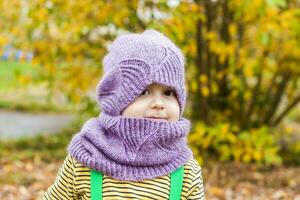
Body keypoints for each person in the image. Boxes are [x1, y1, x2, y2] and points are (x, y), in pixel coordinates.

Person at [43, 29, 205, 199]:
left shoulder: (185, 171)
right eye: (144, 91)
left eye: (169, 93)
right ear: (116, 99)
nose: (158, 103)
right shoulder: (86, 159)